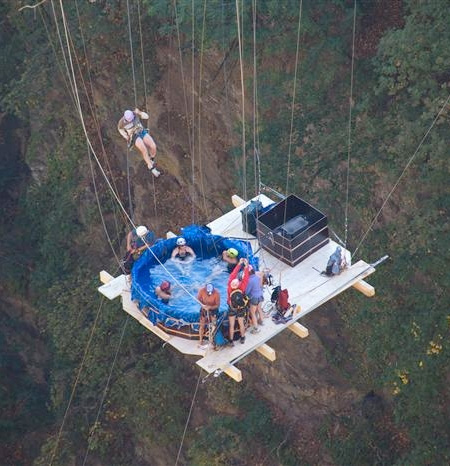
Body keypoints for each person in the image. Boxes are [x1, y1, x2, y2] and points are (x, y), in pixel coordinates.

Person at [117, 108, 160, 177]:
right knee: (144, 149)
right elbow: (120, 129)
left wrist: (139, 112)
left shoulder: (135, 113)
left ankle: (151, 159)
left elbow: (147, 117)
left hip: (141, 131)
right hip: (133, 135)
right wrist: (126, 136)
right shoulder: (121, 122)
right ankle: (151, 167)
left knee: (153, 146)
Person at [227, 258, 250, 345]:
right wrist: (246, 266)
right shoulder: (241, 287)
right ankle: (242, 337)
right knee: (241, 323)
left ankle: (231, 340)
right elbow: (246, 278)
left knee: (231, 324)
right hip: (241, 307)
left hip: (232, 307)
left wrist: (239, 264)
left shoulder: (229, 286)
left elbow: (233, 274)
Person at [197, 283, 220, 348]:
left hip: (213, 309)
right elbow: (198, 299)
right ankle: (200, 340)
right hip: (204, 308)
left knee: (213, 325)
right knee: (202, 325)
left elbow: (217, 305)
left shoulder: (217, 293)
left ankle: (212, 340)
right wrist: (203, 305)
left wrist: (210, 307)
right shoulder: (201, 291)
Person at [245, 265, 265, 334]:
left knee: (252, 313)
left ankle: (256, 328)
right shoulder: (257, 276)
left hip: (254, 298)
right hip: (260, 295)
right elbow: (260, 285)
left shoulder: (249, 281)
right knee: (259, 309)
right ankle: (261, 321)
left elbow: (247, 291)